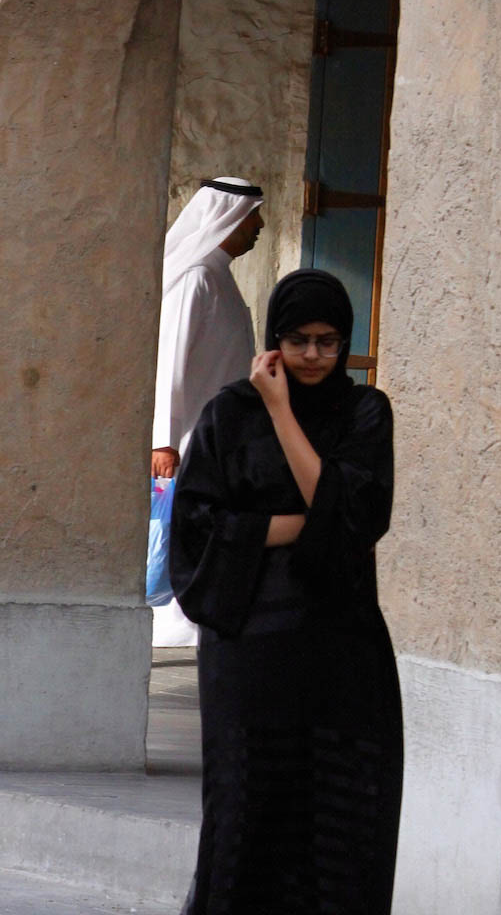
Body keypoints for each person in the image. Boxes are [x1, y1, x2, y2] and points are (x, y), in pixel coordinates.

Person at [170, 269, 402, 914]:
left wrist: (282, 414)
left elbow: (358, 514)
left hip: (341, 653)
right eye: (298, 340)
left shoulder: (364, 412)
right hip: (249, 651)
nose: (312, 356)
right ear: (274, 340)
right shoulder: (229, 414)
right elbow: (195, 528)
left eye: (328, 342)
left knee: (340, 823)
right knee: (245, 817)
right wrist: (306, 524)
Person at [150, 177, 265, 645]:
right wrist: (164, 439)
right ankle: (173, 623)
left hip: (222, 436)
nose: (259, 226)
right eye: (253, 217)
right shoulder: (196, 278)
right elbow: (169, 362)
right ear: (227, 218)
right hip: (191, 437)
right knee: (186, 530)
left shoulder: (219, 276)